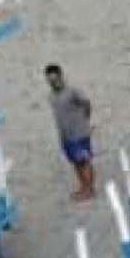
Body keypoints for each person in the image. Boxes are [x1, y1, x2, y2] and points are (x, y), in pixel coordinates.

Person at [44, 65, 97, 201]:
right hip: (65, 136)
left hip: (79, 133)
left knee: (83, 161)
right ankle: (83, 187)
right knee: (75, 162)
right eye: (50, 80)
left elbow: (86, 104)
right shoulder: (51, 96)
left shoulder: (73, 91)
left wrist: (84, 121)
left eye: (55, 79)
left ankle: (90, 189)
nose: (53, 83)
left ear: (61, 76)